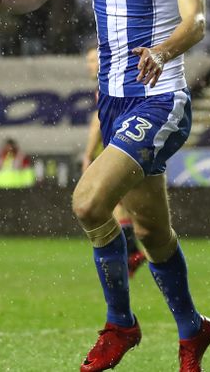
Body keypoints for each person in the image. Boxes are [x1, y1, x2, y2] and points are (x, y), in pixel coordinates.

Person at [0, 0, 210, 370]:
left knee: (88, 203)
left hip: (160, 98)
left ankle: (120, 325)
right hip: (112, 102)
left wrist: (162, 50)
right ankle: (192, 330)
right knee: (152, 231)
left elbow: (196, 23)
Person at [80, 47, 146, 277]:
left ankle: (131, 252)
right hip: (129, 147)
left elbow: (99, 122)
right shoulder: (117, 81)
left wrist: (88, 155)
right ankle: (135, 251)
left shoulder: (106, 85)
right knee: (124, 204)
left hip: (113, 150)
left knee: (109, 204)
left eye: (91, 60)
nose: (89, 65)